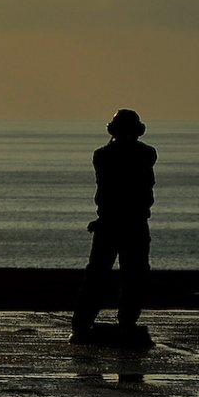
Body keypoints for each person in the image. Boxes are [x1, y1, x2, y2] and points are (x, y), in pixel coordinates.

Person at [72, 109, 158, 343]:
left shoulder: (105, 155)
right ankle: (115, 323)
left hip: (116, 223)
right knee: (127, 276)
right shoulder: (142, 154)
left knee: (107, 276)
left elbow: (111, 191)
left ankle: (85, 323)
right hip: (128, 223)